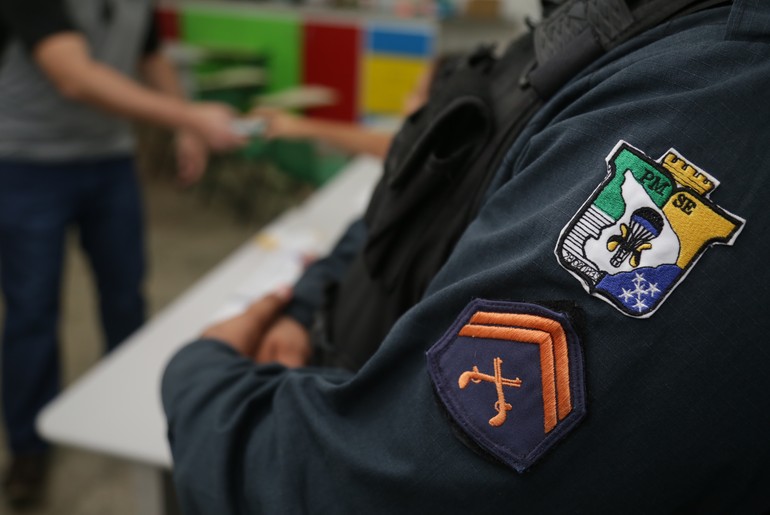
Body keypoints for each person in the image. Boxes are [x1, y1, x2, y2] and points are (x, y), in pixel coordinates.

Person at [162, 0, 770, 512]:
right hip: (328, 371)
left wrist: (201, 378)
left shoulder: (701, 94)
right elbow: (408, 200)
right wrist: (305, 307)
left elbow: (379, 490)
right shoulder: (602, 32)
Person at [0, 0, 246, 507]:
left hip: (110, 159)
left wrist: (184, 127)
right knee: (32, 311)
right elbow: (72, 75)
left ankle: (133, 410)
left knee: (126, 297)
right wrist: (190, 116)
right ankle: (29, 447)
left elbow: (151, 55)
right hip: (27, 161)